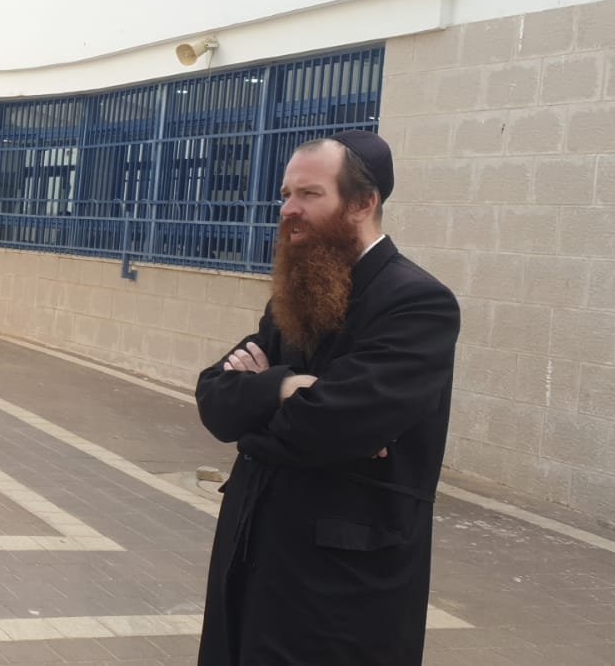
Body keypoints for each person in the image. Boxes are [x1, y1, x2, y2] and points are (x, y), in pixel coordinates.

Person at [194, 130, 460, 666]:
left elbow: (328, 427)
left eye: (309, 194)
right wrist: (286, 388)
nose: (288, 209)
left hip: (341, 593)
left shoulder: (418, 303)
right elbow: (214, 397)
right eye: (286, 194)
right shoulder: (295, 296)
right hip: (253, 563)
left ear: (363, 203)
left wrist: (260, 410)